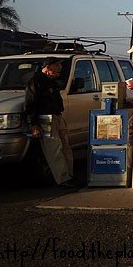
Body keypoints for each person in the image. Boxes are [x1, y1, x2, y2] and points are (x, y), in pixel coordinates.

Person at [24, 57, 78, 188]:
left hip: (57, 116)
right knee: (54, 149)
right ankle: (63, 179)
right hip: (45, 119)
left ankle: (70, 176)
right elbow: (30, 105)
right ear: (47, 67)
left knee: (66, 148)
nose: (60, 68)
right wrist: (34, 124)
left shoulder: (52, 81)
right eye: (57, 65)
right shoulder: (36, 81)